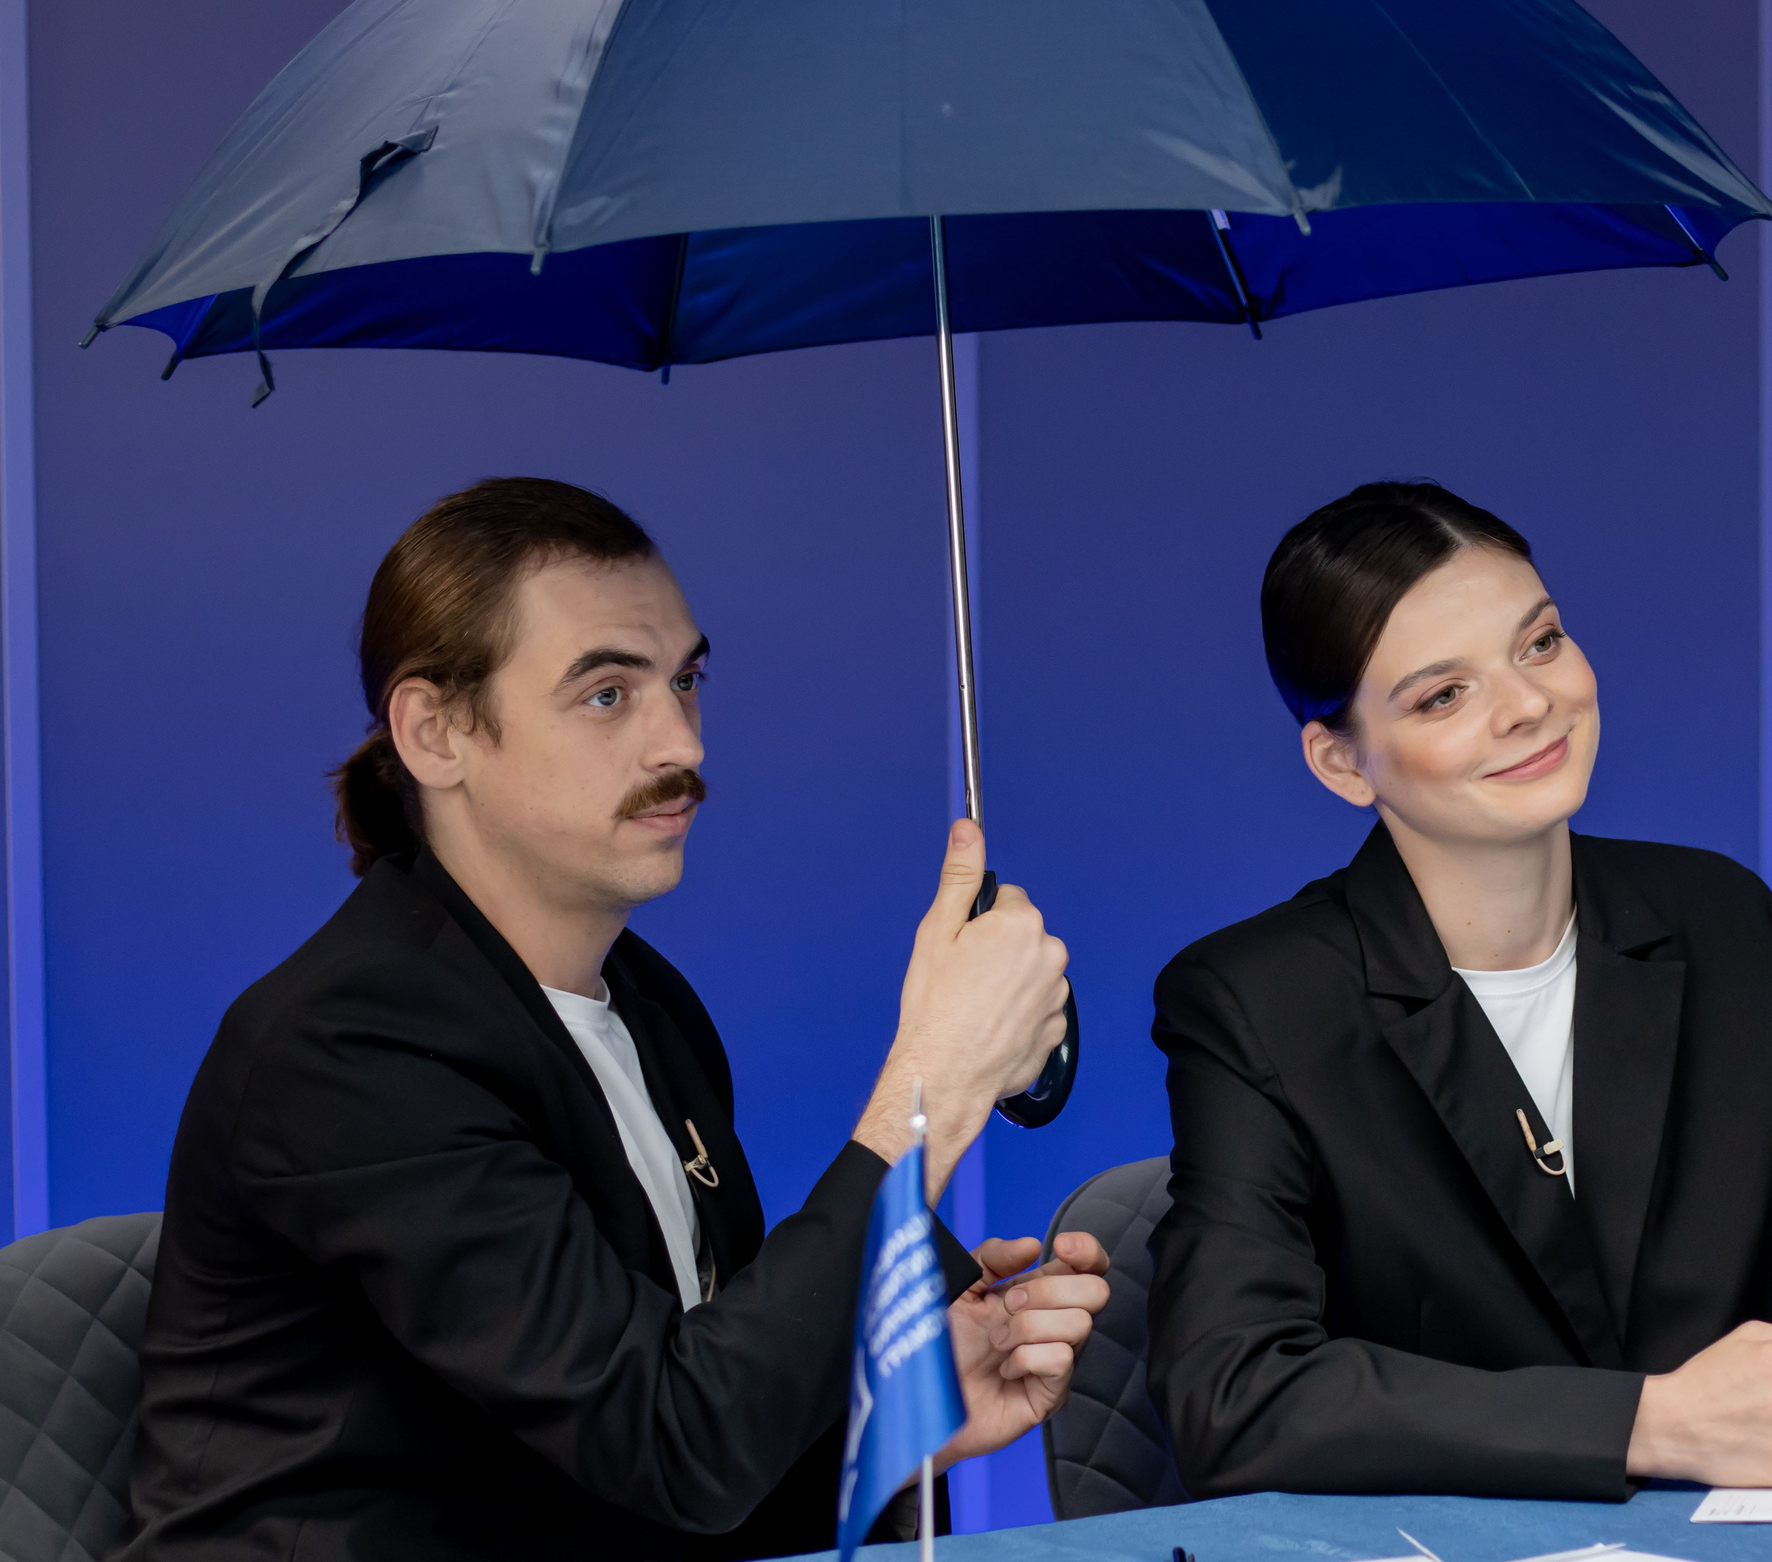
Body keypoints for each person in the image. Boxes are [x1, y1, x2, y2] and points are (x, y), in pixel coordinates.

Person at [124, 478, 1107, 1562]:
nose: (677, 744)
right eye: (606, 695)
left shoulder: (651, 1007)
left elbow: (683, 1444)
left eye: (685, 681)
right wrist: (935, 1088)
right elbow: (674, 1445)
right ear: (435, 732)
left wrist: (891, 1420)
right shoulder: (345, 1051)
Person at [1148, 481, 1772, 1502]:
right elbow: (1232, 1393)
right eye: (1442, 695)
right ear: (1341, 763)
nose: (1525, 705)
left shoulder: (1715, 923)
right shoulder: (1256, 999)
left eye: (1540, 643)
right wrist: (1647, 1425)